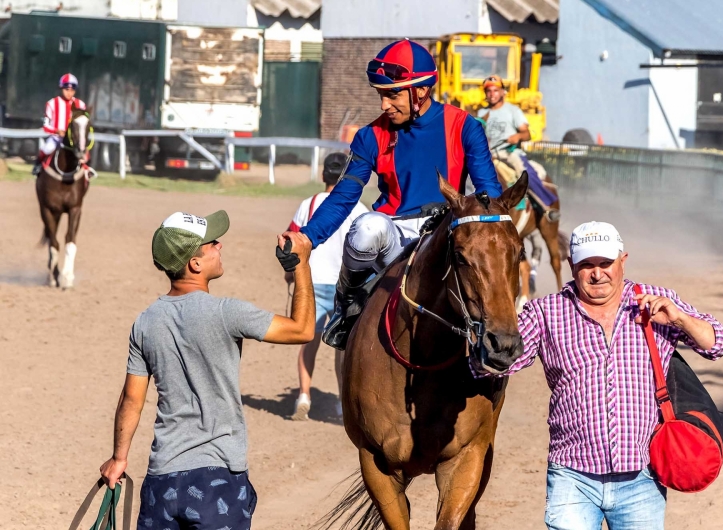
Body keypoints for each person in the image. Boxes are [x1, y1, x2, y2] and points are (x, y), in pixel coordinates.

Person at [504, 221, 723, 529]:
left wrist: (679, 319)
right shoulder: (545, 312)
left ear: (622, 262)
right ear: (571, 266)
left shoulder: (655, 300)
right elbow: (498, 363)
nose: (597, 274)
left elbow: (717, 344)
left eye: (605, 263)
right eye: (587, 265)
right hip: (572, 476)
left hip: (643, 477)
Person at [99, 210, 315, 529]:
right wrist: (302, 265)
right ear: (195, 264)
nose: (220, 247)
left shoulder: (145, 323)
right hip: (219, 482)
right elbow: (303, 330)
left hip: (162, 481)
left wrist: (119, 459)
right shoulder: (227, 312)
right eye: (213, 243)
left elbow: (131, 399)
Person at [293, 39, 503, 349]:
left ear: (421, 90)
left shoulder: (465, 127)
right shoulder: (369, 136)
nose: (383, 105)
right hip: (392, 237)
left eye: (392, 94)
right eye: (380, 95)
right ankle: (348, 303)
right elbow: (343, 197)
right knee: (369, 226)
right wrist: (306, 238)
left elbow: (489, 196)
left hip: (443, 234)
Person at [286, 152, 369, 420]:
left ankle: (303, 396)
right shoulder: (359, 208)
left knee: (308, 340)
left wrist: (290, 274)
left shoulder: (309, 204)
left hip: (312, 281)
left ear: (323, 175)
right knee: (342, 346)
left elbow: (292, 240)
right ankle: (342, 403)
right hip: (347, 286)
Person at [32, 73, 86, 175]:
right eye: (66, 89)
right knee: (47, 148)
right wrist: (57, 131)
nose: (69, 93)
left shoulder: (81, 105)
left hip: (73, 140)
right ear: (61, 88)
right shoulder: (51, 104)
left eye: (72, 90)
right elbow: (45, 126)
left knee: (84, 152)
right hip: (56, 138)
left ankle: (87, 170)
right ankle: (37, 166)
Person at [478, 75, 531, 180]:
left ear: (502, 92)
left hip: (509, 154)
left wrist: (518, 136)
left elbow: (527, 134)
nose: (492, 94)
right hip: (490, 156)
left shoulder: (513, 110)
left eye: (496, 90)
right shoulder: (481, 113)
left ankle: (535, 195)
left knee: (523, 174)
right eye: (489, 91)